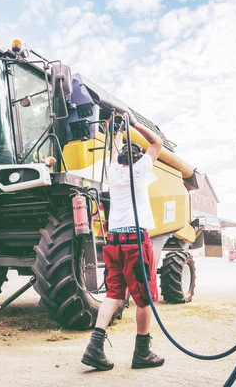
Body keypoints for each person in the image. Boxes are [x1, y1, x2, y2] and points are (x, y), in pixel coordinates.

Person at [81, 113, 164, 371]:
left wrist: (118, 129)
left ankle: (94, 347)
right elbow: (157, 143)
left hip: (113, 244)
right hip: (135, 244)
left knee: (113, 294)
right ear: (138, 158)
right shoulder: (140, 170)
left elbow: (115, 146)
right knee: (144, 299)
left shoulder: (114, 171)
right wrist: (135, 124)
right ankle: (142, 353)